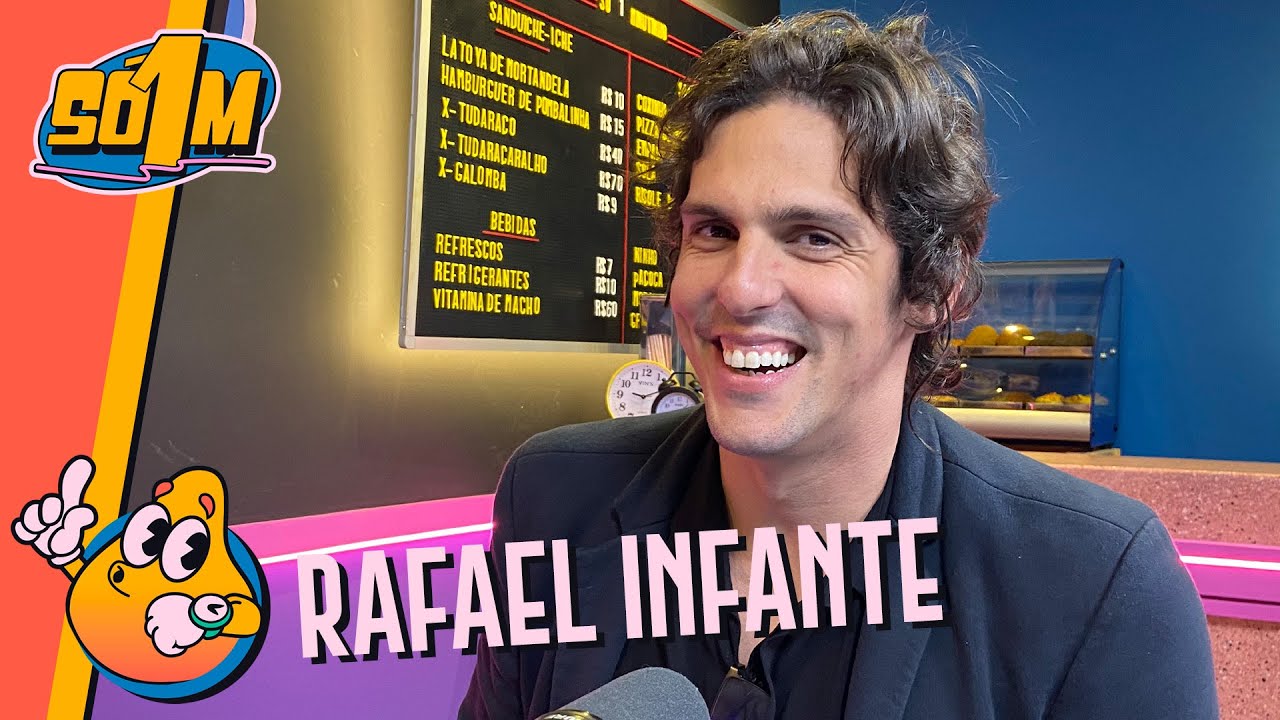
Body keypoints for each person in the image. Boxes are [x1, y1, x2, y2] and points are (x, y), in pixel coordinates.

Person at [459, 11, 1218, 719]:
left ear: (934, 284)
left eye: (814, 238)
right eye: (714, 230)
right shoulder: (554, 498)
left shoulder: (1095, 587)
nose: (741, 288)